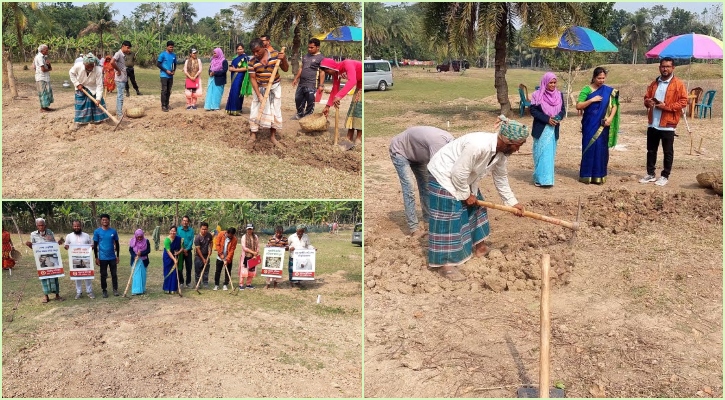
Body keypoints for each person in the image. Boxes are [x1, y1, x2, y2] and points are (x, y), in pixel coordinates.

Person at [426, 116, 527, 281]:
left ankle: (479, 247)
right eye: (518, 145)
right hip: (444, 175)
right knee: (450, 216)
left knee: (478, 207)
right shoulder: (478, 145)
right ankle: (446, 265)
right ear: (508, 141)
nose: (518, 150)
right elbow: (458, 173)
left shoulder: (501, 153)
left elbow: (501, 178)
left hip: (464, 178)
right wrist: (466, 195)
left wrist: (512, 203)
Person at [390, 126, 455, 237]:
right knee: (409, 188)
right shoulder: (439, 144)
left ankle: (429, 222)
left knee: (426, 187)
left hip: (419, 155)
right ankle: (413, 228)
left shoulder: (452, 143)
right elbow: (436, 172)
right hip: (401, 151)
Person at [640, 57, 689, 187]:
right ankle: (650, 174)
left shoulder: (678, 84)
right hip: (653, 123)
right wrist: (648, 102)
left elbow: (684, 102)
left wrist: (665, 106)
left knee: (667, 152)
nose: (665, 69)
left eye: (668, 66)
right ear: (659, 67)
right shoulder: (654, 83)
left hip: (668, 125)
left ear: (673, 68)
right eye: (663, 66)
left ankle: (664, 175)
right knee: (651, 150)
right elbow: (646, 97)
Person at [575, 67, 620, 185]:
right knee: (589, 148)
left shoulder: (609, 91)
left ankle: (599, 176)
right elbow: (579, 106)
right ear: (594, 78)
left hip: (603, 125)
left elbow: (615, 105)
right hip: (589, 124)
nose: (601, 80)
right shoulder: (587, 89)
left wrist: (610, 118)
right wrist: (591, 100)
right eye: (599, 78)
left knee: (601, 149)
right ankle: (586, 176)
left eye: (603, 78)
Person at [248, 37, 289, 145]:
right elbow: (252, 78)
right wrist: (259, 95)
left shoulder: (276, 55)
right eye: (253, 52)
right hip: (260, 88)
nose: (256, 54)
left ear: (263, 47)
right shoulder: (252, 62)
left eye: (258, 51)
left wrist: (283, 59)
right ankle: (253, 134)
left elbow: (285, 69)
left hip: (274, 87)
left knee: (274, 110)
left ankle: (272, 136)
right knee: (255, 110)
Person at [530, 72, 566, 187]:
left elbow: (563, 110)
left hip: (554, 128)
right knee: (541, 153)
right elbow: (533, 111)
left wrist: (558, 117)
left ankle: (548, 180)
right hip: (542, 128)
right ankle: (539, 179)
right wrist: (547, 119)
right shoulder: (537, 95)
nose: (553, 85)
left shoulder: (559, 95)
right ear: (545, 82)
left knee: (549, 154)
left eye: (555, 82)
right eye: (550, 82)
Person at [320, 58, 363, 145]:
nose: (328, 73)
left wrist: (339, 96)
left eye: (327, 71)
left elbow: (352, 81)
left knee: (359, 111)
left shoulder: (347, 64)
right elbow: (335, 89)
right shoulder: (336, 73)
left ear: (330, 68)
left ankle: (358, 137)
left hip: (363, 86)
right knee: (353, 111)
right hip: (359, 87)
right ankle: (349, 136)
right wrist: (327, 106)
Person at [25, 218, 63, 303]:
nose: (41, 227)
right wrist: (29, 245)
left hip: (50, 257)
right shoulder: (33, 234)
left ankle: (57, 295)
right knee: (43, 276)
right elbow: (33, 248)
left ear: (45, 225)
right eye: (39, 225)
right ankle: (46, 296)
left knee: (54, 275)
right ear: (37, 226)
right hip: (41, 259)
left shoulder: (50, 232)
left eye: (42, 225)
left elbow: (53, 245)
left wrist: (58, 243)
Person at [69, 53, 108, 130]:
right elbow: (71, 73)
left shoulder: (98, 70)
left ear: (94, 64)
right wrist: (77, 84)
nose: (90, 67)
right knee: (80, 105)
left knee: (97, 106)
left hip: (93, 88)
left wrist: (98, 98)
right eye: (88, 65)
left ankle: (97, 120)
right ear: (84, 64)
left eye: (92, 65)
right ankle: (79, 122)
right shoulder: (78, 66)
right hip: (81, 87)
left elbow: (99, 85)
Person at [291, 38, 325, 120]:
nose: (309, 49)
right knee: (298, 99)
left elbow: (322, 72)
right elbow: (301, 68)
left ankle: (308, 116)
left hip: (312, 84)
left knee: (310, 101)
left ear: (318, 47)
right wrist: (296, 79)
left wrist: (321, 85)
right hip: (302, 83)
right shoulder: (306, 56)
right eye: (308, 47)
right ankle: (300, 114)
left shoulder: (321, 58)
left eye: (312, 47)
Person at [64, 220, 94, 299]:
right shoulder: (69, 236)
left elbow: (92, 244)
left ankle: (89, 291)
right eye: (75, 226)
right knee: (77, 276)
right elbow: (66, 246)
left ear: (81, 226)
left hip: (85, 258)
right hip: (75, 259)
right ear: (72, 226)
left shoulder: (86, 235)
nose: (76, 227)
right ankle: (78, 292)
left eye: (78, 226)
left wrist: (92, 247)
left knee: (87, 275)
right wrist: (66, 247)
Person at [93, 213, 120, 298]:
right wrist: (96, 257)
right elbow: (95, 245)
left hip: (112, 257)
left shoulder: (113, 231)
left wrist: (117, 256)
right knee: (103, 275)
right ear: (101, 221)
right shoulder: (97, 232)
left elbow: (117, 244)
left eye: (106, 220)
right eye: (103, 220)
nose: (105, 221)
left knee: (114, 274)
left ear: (109, 221)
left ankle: (115, 289)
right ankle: (104, 290)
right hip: (103, 258)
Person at [225, 44, 251, 116]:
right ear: (236, 50)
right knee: (233, 91)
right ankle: (231, 109)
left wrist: (235, 69)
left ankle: (237, 109)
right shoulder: (235, 58)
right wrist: (230, 68)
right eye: (238, 49)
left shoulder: (245, 58)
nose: (239, 51)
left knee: (237, 91)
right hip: (233, 75)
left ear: (243, 49)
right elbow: (231, 66)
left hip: (240, 76)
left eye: (241, 49)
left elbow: (246, 68)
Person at [110, 40, 131, 118]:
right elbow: (112, 62)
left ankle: (119, 112)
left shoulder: (122, 55)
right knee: (120, 96)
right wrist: (118, 70)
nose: (129, 50)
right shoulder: (118, 54)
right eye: (128, 48)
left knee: (120, 96)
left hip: (122, 78)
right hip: (120, 79)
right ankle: (119, 114)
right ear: (123, 46)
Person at [129, 229, 151, 295]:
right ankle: (136, 290)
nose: (139, 238)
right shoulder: (132, 241)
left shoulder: (146, 241)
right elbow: (131, 250)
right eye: (138, 236)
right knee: (136, 275)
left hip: (143, 260)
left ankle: (142, 289)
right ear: (136, 236)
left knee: (142, 275)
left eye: (141, 236)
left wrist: (141, 253)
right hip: (135, 260)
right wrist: (135, 256)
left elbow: (148, 250)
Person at [157, 41, 177, 112]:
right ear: (167, 47)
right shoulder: (162, 54)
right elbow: (158, 64)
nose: (171, 48)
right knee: (164, 90)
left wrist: (174, 70)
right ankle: (163, 105)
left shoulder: (174, 55)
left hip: (171, 76)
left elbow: (174, 64)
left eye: (172, 47)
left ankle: (167, 104)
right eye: (170, 47)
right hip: (164, 75)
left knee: (169, 91)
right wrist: (166, 70)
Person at [34, 44, 55, 112]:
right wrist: (50, 69)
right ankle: (42, 108)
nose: (47, 51)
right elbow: (43, 69)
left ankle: (46, 107)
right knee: (43, 93)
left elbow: (47, 66)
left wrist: (49, 65)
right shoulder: (39, 57)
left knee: (46, 92)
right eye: (46, 49)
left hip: (45, 77)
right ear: (42, 50)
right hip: (41, 77)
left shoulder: (44, 57)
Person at [239, 223, 259, 290]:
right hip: (245, 256)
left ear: (253, 229)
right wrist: (253, 252)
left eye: (251, 229)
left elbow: (257, 246)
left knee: (251, 270)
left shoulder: (255, 237)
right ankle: (241, 284)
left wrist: (255, 254)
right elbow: (244, 248)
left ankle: (248, 284)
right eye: (248, 229)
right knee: (243, 270)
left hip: (253, 257)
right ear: (246, 229)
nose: (249, 230)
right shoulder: (244, 237)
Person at [194, 222, 214, 288]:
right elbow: (198, 250)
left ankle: (205, 283)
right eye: (202, 229)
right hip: (198, 257)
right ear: (200, 229)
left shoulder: (209, 235)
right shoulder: (197, 238)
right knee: (198, 271)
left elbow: (211, 242)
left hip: (206, 255)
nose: (204, 231)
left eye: (205, 229)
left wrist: (210, 249)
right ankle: (198, 283)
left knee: (206, 270)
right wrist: (203, 259)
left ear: (207, 229)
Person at [177, 216, 195, 288]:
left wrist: (187, 249)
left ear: (188, 222)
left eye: (186, 221)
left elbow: (191, 241)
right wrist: (183, 249)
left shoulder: (191, 230)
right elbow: (177, 240)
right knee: (180, 267)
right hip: (180, 252)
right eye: (184, 220)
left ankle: (188, 282)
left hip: (188, 252)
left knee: (189, 267)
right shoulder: (178, 230)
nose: (185, 222)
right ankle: (181, 282)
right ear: (182, 221)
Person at [162, 226, 181, 294]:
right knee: (167, 271)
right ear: (169, 231)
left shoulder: (178, 239)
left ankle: (173, 288)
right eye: (172, 231)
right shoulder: (167, 240)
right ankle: (166, 288)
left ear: (176, 232)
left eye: (174, 231)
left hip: (175, 255)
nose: (173, 232)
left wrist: (178, 252)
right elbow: (168, 251)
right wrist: (173, 259)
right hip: (167, 257)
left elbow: (182, 247)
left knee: (174, 273)